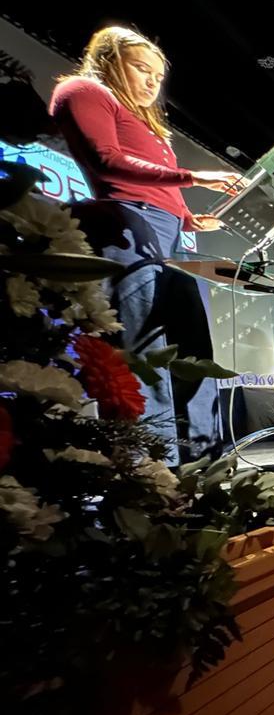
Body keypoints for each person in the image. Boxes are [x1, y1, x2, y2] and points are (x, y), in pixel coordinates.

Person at [49, 26, 242, 463]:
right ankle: (152, 467)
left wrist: (189, 216)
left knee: (193, 346)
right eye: (142, 68)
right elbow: (108, 160)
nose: (153, 82)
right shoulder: (83, 89)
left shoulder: (147, 122)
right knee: (144, 349)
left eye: (158, 74)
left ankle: (204, 457)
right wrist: (192, 177)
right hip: (126, 224)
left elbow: (158, 189)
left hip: (168, 230)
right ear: (110, 60)